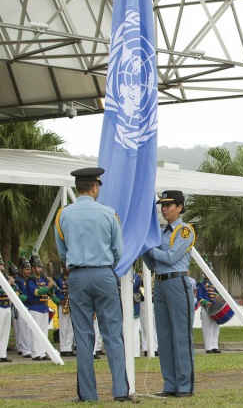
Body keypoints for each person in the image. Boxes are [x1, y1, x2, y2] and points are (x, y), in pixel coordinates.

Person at [54, 167, 131, 402]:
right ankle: (120, 392)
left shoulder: (63, 215)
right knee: (113, 334)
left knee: (84, 335)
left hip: (77, 276)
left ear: (78, 187)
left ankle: (88, 394)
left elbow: (62, 251)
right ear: (95, 187)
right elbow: (118, 250)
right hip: (104, 274)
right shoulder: (109, 213)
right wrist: (107, 266)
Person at [142, 190, 196, 397]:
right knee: (164, 337)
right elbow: (154, 263)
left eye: (168, 205)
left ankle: (184, 385)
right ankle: (170, 384)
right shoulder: (161, 232)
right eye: (162, 206)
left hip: (177, 282)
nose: (164, 209)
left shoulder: (184, 231)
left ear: (180, 207)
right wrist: (144, 249)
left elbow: (171, 257)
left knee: (181, 337)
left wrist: (149, 246)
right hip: (161, 284)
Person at [26, 254, 58, 361]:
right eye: (38, 267)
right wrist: (47, 287)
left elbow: (50, 293)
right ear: (33, 268)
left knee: (44, 331)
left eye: (41, 267)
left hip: (44, 308)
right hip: (35, 308)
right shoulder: (31, 280)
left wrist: (51, 286)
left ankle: (43, 352)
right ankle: (35, 353)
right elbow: (36, 292)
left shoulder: (43, 280)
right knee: (36, 331)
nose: (40, 269)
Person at [197, 270, 222, 354]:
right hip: (206, 307)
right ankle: (208, 347)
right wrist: (206, 303)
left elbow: (218, 292)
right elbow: (199, 296)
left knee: (216, 327)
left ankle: (215, 346)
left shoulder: (215, 281)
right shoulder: (201, 283)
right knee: (207, 327)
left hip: (215, 306)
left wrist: (217, 297)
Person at [54, 265, 75, 357]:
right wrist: (61, 299)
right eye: (67, 267)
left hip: (71, 303)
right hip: (63, 304)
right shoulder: (58, 279)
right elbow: (55, 291)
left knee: (70, 327)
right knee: (63, 327)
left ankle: (69, 347)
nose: (69, 269)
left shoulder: (72, 277)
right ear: (63, 267)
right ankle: (63, 348)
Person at [14, 257, 32, 358]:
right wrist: (26, 298)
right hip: (21, 306)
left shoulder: (30, 280)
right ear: (21, 270)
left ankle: (28, 347)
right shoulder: (18, 280)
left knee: (29, 329)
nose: (29, 271)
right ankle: (25, 350)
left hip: (30, 306)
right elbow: (16, 293)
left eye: (29, 269)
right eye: (27, 269)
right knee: (23, 329)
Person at [0, 255, 15, 362]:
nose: (1, 267)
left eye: (1, 264)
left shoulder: (4, 277)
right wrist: (7, 285)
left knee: (6, 331)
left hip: (7, 305)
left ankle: (3, 354)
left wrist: (12, 284)